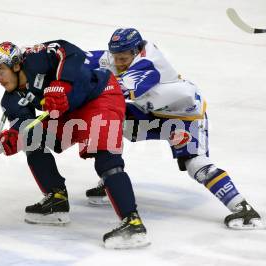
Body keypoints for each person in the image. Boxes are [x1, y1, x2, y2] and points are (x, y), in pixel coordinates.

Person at [84, 28, 263, 229]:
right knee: (111, 125)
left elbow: (119, 89)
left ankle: (243, 208)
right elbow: (79, 59)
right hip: (151, 111)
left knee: (196, 165)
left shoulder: (148, 64)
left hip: (184, 116)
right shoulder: (119, 55)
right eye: (115, 57)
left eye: (123, 59)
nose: (118, 63)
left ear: (136, 51)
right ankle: (112, 183)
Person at [0, 40, 150, 248]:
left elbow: (69, 51)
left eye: (1, 72)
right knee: (30, 138)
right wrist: (14, 136)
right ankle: (56, 200)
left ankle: (132, 222)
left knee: (104, 156)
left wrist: (62, 83)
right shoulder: (11, 98)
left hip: (100, 96)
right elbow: (23, 124)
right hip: (70, 112)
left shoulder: (35, 59)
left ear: (16, 65)